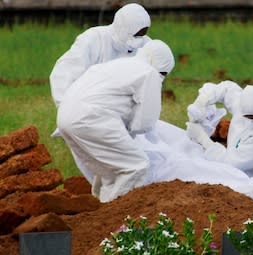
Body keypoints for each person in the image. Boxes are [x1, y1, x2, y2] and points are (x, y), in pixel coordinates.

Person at [56, 39, 175, 203]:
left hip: (65, 117)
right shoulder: (149, 72)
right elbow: (146, 121)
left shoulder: (116, 65)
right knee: (136, 166)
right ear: (161, 67)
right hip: (92, 118)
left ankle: (99, 210)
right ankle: (116, 216)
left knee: (109, 170)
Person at [50, 2, 152, 107]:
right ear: (122, 28)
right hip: (89, 106)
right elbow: (65, 71)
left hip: (126, 109)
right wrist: (66, 107)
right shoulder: (94, 39)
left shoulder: (147, 45)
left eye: (142, 35)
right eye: (135, 35)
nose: (139, 40)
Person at [186, 80, 253, 180]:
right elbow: (225, 88)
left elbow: (231, 163)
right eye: (248, 116)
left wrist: (202, 138)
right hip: (243, 169)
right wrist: (201, 102)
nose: (251, 120)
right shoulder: (241, 103)